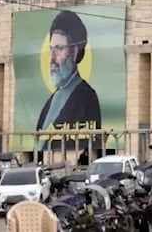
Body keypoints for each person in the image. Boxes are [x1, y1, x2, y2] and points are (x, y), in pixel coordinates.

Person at [35, 10, 102, 149]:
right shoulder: (52, 99)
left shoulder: (86, 97)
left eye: (58, 49)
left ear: (74, 52)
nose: (52, 58)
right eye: (51, 49)